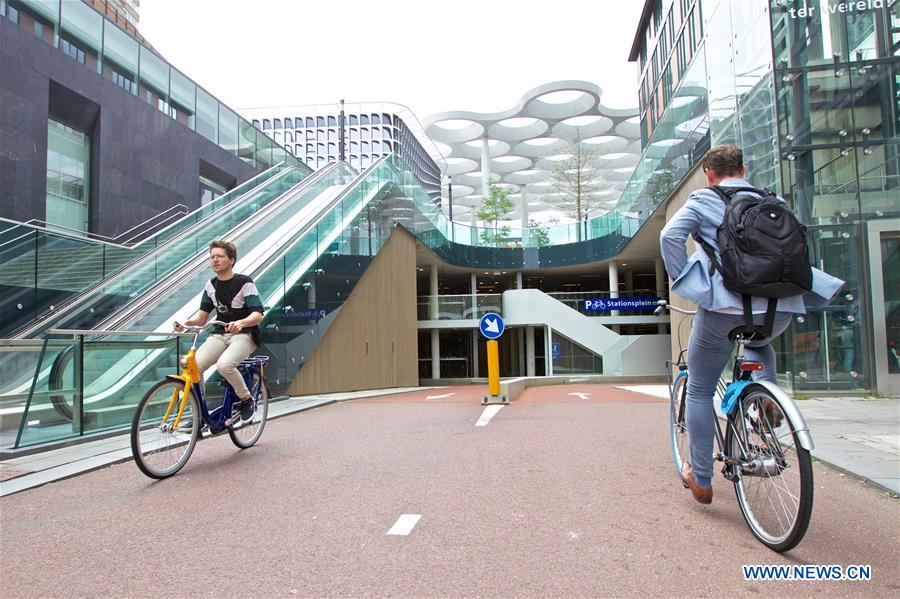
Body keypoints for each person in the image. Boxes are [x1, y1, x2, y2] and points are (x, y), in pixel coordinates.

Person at [659, 145, 844, 504]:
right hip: (781, 308)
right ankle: (768, 397)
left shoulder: (703, 199)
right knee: (760, 344)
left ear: (709, 175)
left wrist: (688, 281)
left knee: (698, 388)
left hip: (725, 309)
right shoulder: (774, 202)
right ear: (744, 169)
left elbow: (670, 237)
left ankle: (701, 478)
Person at [175, 240, 264, 422]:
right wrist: (185, 323)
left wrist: (241, 323)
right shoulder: (211, 285)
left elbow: (258, 314)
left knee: (225, 365)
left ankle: (246, 399)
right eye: (212, 257)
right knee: (195, 367)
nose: (215, 260)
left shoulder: (245, 282)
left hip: (244, 335)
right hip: (219, 334)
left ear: (232, 260)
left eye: (220, 256)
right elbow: (202, 318)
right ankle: (199, 415)